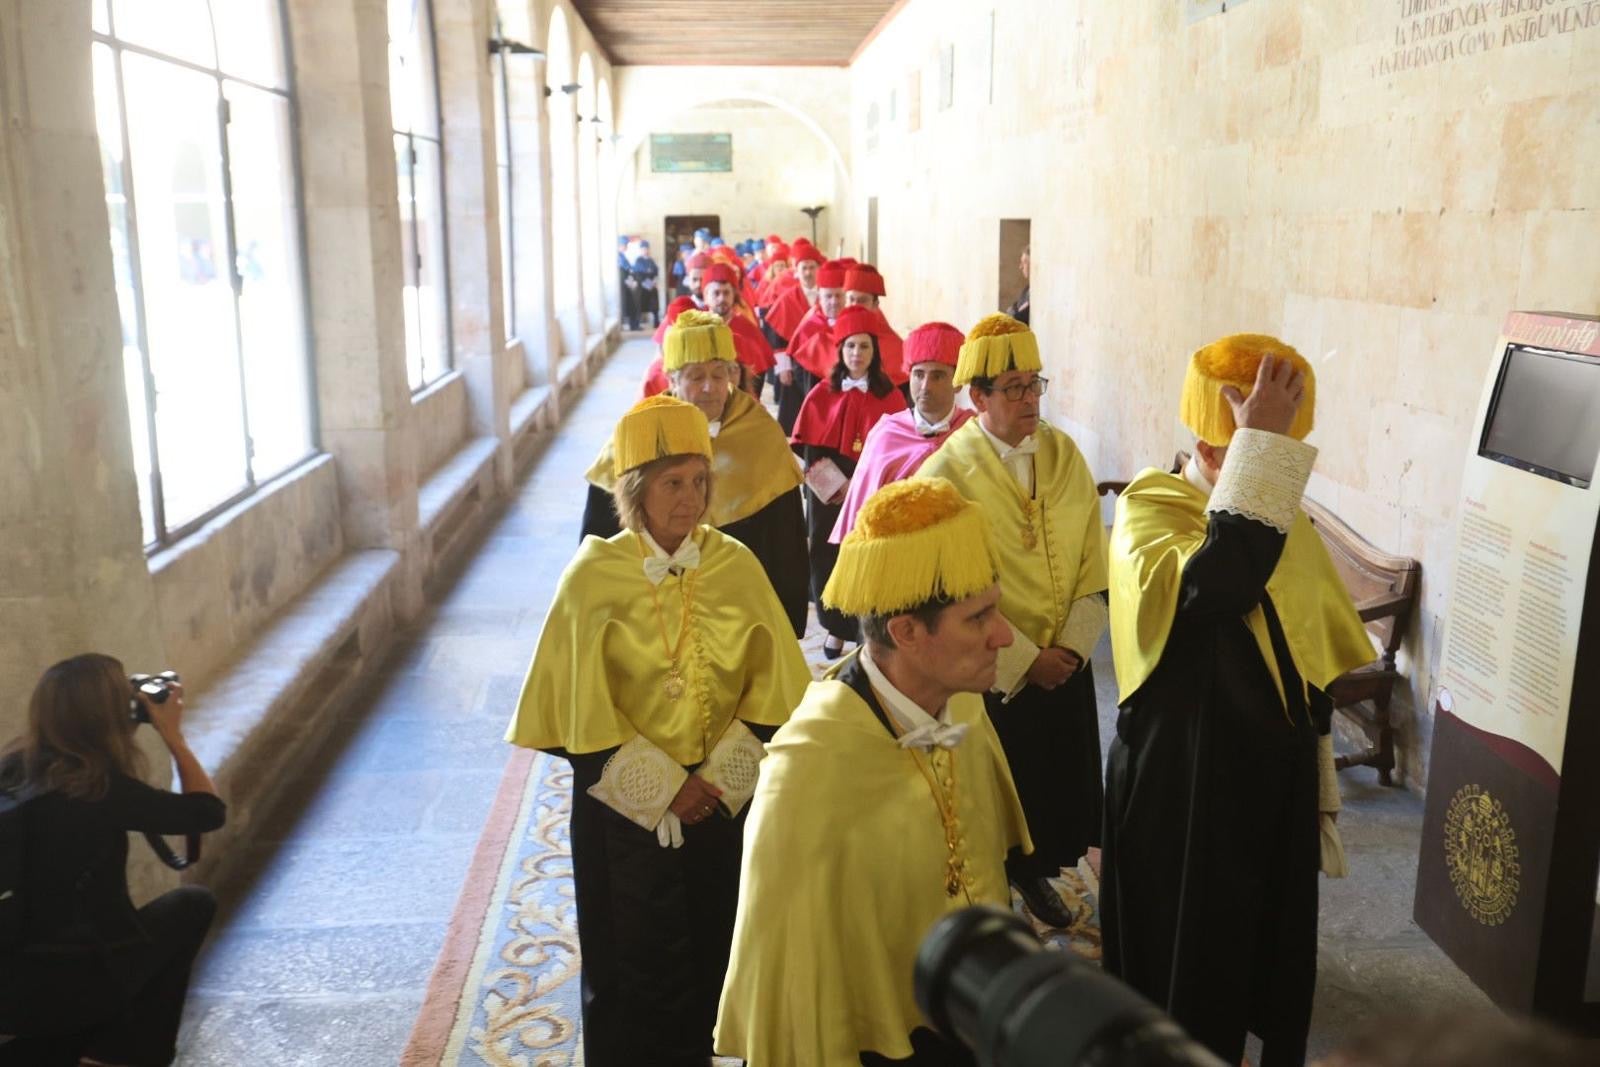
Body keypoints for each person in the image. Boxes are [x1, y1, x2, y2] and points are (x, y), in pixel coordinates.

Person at [508, 395, 811, 1066]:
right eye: (673, 482)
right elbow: (576, 718)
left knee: (718, 940)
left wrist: (713, 782)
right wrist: (666, 788)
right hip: (623, 816)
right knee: (633, 960)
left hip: (721, 806)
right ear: (635, 491)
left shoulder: (736, 564)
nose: (691, 498)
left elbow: (775, 695)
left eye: (700, 480)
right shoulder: (592, 577)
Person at [1101, 335, 1373, 1067]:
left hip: (1266, 776)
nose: (1283, 471)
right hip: (1182, 781)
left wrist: (1314, 754)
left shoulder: (1277, 512)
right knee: (1186, 965)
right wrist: (1261, 452)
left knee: (1265, 948)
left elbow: (1304, 642)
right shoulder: (1151, 507)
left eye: (1288, 450)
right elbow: (1214, 586)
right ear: (1209, 449)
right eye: (1263, 448)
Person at [715, 477, 1031, 1067]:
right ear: (907, 632)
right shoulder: (808, 770)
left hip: (974, 1001)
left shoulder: (964, 701)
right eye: (978, 617)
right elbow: (796, 984)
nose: (1005, 635)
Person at [917, 314, 1108, 930]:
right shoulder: (945, 475)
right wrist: (1028, 661)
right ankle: (998, 886)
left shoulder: (1064, 453)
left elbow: (1093, 559)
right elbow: (946, 590)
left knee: (1055, 791)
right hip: (994, 669)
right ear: (978, 398)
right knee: (995, 795)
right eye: (1014, 388)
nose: (1030, 400)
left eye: (1035, 384)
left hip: (1067, 661)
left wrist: (1071, 649)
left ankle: (1038, 873)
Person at [0, 654, 226, 1067]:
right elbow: (207, 812)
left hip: (11, 989)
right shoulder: (98, 788)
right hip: (73, 983)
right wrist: (173, 735)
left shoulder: (13, 769)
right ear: (110, 716)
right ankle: (117, 1054)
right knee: (193, 904)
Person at [583, 311, 809, 636]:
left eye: (719, 375)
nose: (709, 387)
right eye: (695, 376)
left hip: (738, 610)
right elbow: (600, 539)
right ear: (672, 380)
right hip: (652, 610)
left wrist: (785, 624)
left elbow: (786, 541)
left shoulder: (761, 433)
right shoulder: (639, 432)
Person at [790, 305, 907, 659]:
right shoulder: (821, 394)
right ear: (840, 350)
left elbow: (898, 449)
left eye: (864, 346)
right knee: (827, 555)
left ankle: (864, 628)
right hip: (830, 494)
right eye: (851, 346)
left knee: (868, 556)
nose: (857, 353)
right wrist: (836, 487)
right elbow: (810, 450)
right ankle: (835, 627)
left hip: (872, 488)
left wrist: (861, 486)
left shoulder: (891, 395)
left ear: (875, 351)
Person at [831, 322, 973, 543]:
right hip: (893, 551)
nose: (925, 386)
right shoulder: (885, 434)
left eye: (937, 376)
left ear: (958, 383)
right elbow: (861, 517)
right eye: (918, 375)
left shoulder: (973, 432)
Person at [700, 263, 776, 390]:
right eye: (716, 293)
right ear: (706, 296)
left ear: (734, 295)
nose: (722, 298)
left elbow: (758, 377)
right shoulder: (696, 327)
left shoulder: (748, 330)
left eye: (726, 293)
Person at [629, 238, 661, 329]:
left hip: (651, 286)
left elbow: (655, 272)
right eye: (643, 249)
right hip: (641, 286)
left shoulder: (651, 260)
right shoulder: (638, 260)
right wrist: (644, 283)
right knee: (639, 304)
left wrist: (653, 282)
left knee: (654, 303)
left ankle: (656, 322)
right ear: (640, 250)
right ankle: (637, 323)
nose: (645, 251)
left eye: (646, 249)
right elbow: (636, 274)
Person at [1005, 245, 1030, 325]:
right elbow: (1011, 311)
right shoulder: (1027, 289)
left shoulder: (1038, 291)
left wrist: (1017, 314)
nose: (1020, 267)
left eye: (1024, 262)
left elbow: (1020, 317)